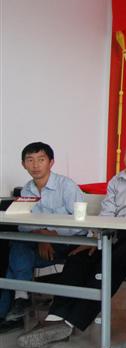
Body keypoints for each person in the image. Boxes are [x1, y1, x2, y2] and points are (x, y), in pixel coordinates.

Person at [15, 135, 126, 348]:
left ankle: (70, 323)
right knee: (79, 258)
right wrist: (92, 238)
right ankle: (54, 318)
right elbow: (107, 214)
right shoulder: (116, 181)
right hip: (115, 234)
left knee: (111, 263)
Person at [0, 142, 84, 333]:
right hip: (40, 245)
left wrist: (48, 232)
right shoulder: (27, 189)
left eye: (41, 159)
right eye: (30, 160)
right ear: (23, 164)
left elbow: (79, 222)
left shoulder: (66, 186)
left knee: (14, 258)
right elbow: (23, 224)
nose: (35, 165)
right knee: (16, 245)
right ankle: (20, 300)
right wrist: (41, 236)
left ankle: (17, 304)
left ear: (51, 162)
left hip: (70, 244)